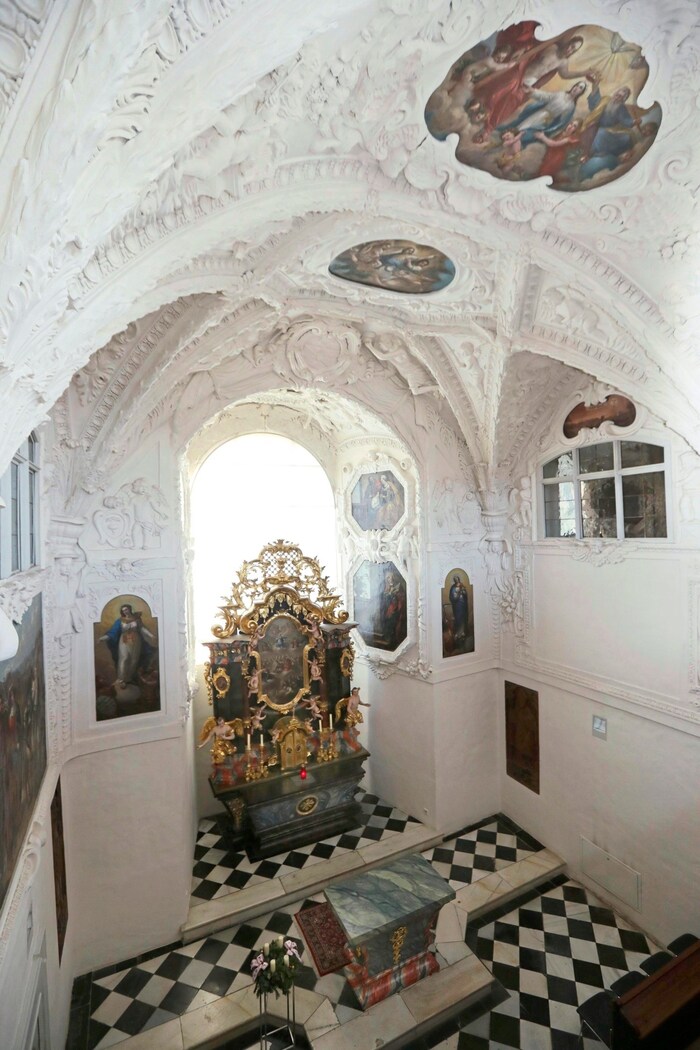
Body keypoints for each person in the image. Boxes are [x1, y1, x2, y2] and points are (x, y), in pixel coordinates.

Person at [496, 81, 587, 148]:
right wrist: (532, 91)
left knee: (526, 134)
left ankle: (510, 146)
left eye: (580, 88)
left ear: (581, 93)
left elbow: (561, 123)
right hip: (538, 114)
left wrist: (551, 129)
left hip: (545, 123)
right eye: (577, 85)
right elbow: (546, 96)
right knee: (522, 127)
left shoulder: (571, 107)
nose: (576, 88)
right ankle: (502, 142)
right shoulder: (561, 94)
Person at [100, 603, 156, 687]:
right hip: (124, 640)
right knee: (124, 658)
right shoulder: (120, 620)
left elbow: (142, 628)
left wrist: (151, 635)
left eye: (126, 609)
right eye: (123, 610)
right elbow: (113, 632)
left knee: (134, 660)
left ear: (130, 609)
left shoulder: (136, 619)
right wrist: (102, 638)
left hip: (136, 641)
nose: (125, 612)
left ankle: (128, 678)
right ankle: (121, 679)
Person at [449, 575, 469, 643]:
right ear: (454, 580)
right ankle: (458, 633)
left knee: (463, 618)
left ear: (459, 579)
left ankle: (463, 632)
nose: (457, 580)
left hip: (463, 605)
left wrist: (463, 591)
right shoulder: (453, 588)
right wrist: (458, 593)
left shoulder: (462, 585)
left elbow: (465, 595)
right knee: (458, 619)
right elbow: (452, 598)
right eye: (455, 579)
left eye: (457, 579)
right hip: (457, 606)